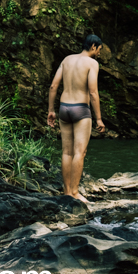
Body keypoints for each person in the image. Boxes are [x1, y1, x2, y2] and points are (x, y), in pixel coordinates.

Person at [46, 34, 106, 202]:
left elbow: (53, 86)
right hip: (81, 109)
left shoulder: (67, 60)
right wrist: (99, 119)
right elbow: (93, 92)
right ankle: (74, 192)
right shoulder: (92, 63)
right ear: (93, 46)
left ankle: (66, 192)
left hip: (64, 108)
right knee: (80, 152)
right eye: (99, 50)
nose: (99, 53)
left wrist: (51, 110)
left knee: (67, 152)